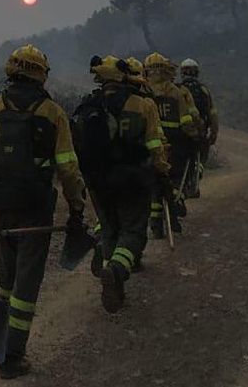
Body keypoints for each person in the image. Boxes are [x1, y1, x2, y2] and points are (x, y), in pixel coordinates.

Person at [0, 45, 86, 379]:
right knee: (27, 286)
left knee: (8, 281)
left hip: (2, 205)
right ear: (41, 74)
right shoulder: (53, 112)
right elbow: (68, 168)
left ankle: (4, 343)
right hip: (36, 208)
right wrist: (76, 207)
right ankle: (12, 355)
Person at [71, 56, 168, 313]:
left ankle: (111, 270)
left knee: (110, 229)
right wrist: (162, 174)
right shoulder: (142, 105)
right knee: (134, 231)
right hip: (132, 181)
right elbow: (155, 146)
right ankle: (117, 269)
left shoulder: (87, 106)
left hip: (97, 183)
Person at [142, 53, 199, 238]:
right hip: (176, 144)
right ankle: (173, 215)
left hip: (150, 144)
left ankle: (156, 225)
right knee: (173, 179)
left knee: (154, 185)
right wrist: (194, 137)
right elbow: (186, 120)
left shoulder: (143, 91)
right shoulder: (176, 92)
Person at [178, 58, 218, 197]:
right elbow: (212, 113)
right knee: (202, 151)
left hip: (181, 131)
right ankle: (199, 167)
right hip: (200, 131)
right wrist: (213, 132)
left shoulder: (176, 89)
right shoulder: (203, 90)